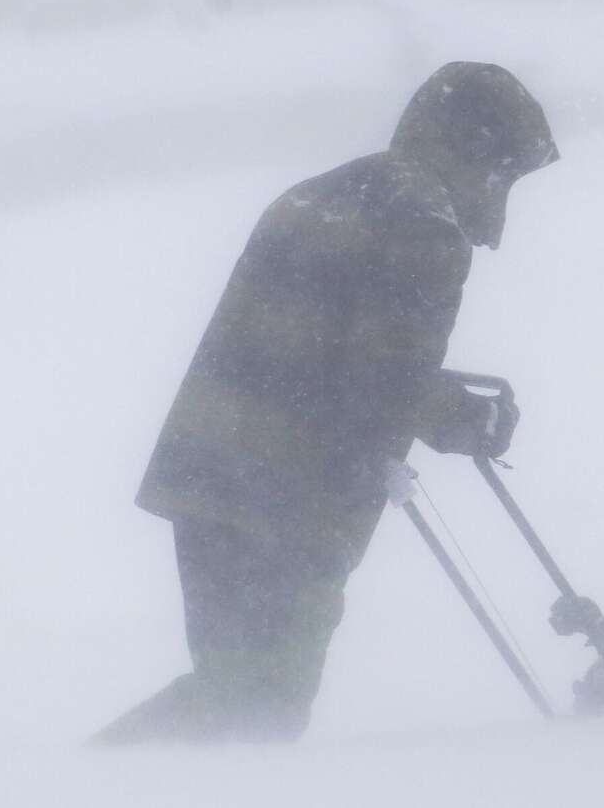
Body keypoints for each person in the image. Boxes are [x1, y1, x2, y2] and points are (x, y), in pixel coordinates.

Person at [93, 61, 560, 744]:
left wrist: (434, 397)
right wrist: (470, 419)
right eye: (505, 170)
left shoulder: (321, 194)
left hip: (207, 476)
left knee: (233, 696)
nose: (499, 200)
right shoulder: (426, 222)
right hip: (290, 499)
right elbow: (384, 377)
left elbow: (331, 348)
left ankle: (84, 779)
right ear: (476, 152)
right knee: (257, 711)